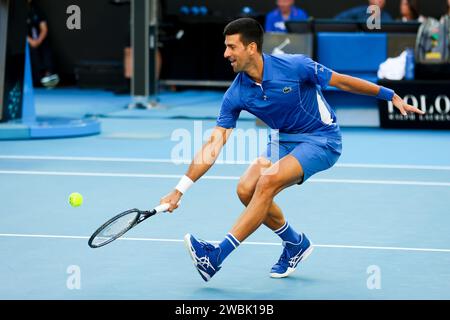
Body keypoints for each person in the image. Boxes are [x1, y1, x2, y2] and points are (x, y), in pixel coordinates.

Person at [160, 18, 424, 282]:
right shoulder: (236, 93)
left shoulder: (295, 66)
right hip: (283, 141)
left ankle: (216, 256)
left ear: (251, 48)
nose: (225, 54)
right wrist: (179, 189)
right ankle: (295, 244)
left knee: (267, 181)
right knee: (245, 189)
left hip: (321, 139)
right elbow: (213, 143)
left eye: (231, 47)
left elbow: (341, 82)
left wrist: (389, 95)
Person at [26, 0, 59, 88]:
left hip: (38, 40)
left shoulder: (37, 10)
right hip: (26, 42)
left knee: (45, 45)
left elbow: (44, 29)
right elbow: (17, 29)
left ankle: (49, 74)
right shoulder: (18, 11)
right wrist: (30, 41)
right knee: (31, 50)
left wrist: (38, 40)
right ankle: (37, 78)